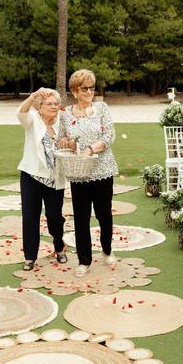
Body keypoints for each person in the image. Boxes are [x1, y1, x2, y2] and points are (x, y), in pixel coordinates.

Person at [59, 69, 118, 277]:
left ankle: (107, 250)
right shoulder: (65, 114)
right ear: (75, 91)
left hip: (103, 169)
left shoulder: (101, 108)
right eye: (85, 88)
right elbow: (63, 139)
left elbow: (109, 135)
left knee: (104, 214)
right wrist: (66, 143)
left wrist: (91, 149)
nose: (89, 92)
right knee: (81, 218)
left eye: (92, 87)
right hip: (79, 173)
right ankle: (84, 260)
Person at [17, 88, 67, 271]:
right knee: (30, 216)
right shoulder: (33, 120)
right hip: (31, 175)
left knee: (54, 216)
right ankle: (30, 256)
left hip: (55, 178)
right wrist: (33, 96)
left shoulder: (63, 122)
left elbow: (73, 143)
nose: (54, 106)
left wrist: (69, 143)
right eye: (49, 103)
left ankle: (59, 247)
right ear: (40, 107)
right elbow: (21, 112)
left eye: (56, 103)